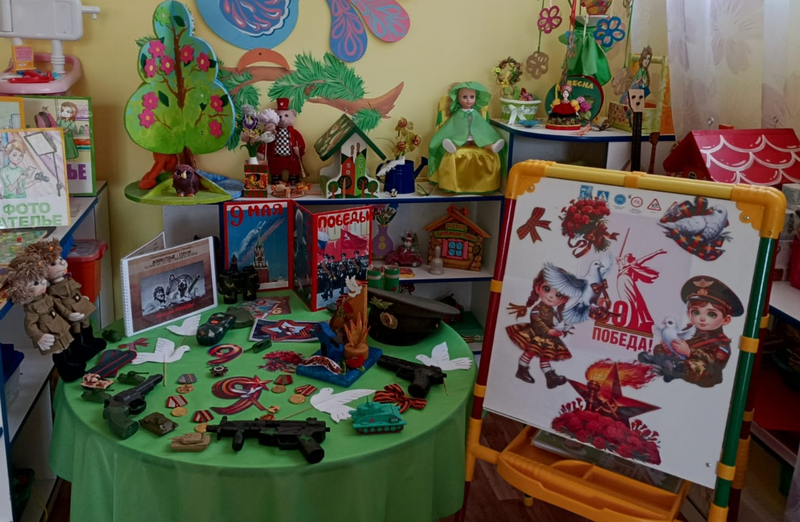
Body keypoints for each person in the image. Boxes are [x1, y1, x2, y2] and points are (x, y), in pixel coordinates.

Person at [639, 275, 743, 388]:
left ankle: (675, 369)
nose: (702, 319)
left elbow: (716, 363)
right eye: (696, 313)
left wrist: (690, 352)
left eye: (711, 314)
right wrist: (670, 347)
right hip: (680, 360)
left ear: (726, 320)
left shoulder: (722, 342)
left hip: (707, 375)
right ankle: (659, 362)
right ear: (688, 314)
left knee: (698, 365)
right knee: (660, 348)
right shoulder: (689, 330)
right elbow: (678, 345)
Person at [428, 81, 505, 190]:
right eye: (464, 97)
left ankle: (492, 147)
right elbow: (452, 126)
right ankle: (453, 147)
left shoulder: (476, 113)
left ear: (476, 98)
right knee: (458, 141)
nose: (468, 100)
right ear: (458, 98)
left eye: (471, 97)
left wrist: (487, 136)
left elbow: (483, 127)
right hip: (461, 137)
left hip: (475, 137)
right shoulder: (458, 114)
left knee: (483, 141)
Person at [506, 269, 571, 388]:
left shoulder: (554, 312)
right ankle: (522, 369)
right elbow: (537, 321)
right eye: (547, 289)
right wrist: (548, 330)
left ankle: (550, 377)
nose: (551, 296)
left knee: (546, 355)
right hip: (536, 334)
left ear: (563, 299)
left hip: (548, 337)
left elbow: (554, 323)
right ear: (537, 288)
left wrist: (560, 329)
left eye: (558, 294)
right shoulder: (537, 309)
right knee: (531, 351)